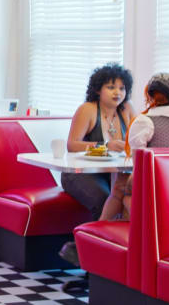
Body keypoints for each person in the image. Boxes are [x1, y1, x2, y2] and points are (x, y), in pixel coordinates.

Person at [58, 63, 136, 265]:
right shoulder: (88, 110)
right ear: (98, 89)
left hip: (115, 174)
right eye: (111, 87)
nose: (117, 93)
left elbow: (138, 140)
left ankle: (109, 258)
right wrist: (106, 145)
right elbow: (72, 145)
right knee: (104, 199)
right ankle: (91, 259)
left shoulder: (127, 110)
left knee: (128, 203)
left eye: (121, 88)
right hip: (80, 174)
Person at [99, 73, 169, 221]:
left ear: (150, 95)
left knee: (119, 187)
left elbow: (139, 168)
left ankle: (98, 231)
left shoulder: (144, 122)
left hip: (160, 195)